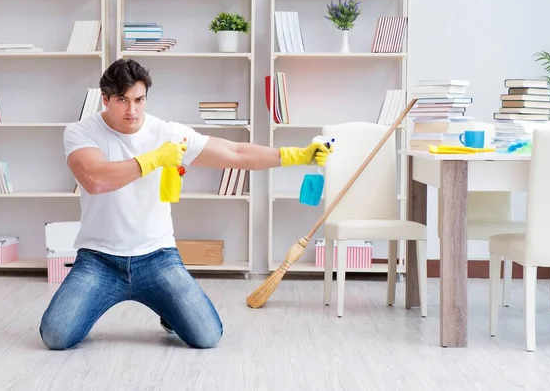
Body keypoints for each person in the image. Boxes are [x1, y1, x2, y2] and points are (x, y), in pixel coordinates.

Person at [38, 58, 331, 350]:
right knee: (56, 336)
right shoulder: (81, 132)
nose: (132, 110)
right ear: (105, 99)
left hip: (157, 257)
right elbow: (95, 179)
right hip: (99, 259)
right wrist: (154, 159)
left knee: (207, 337)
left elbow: (235, 152)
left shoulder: (165, 133)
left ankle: (168, 308)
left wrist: (296, 155)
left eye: (139, 100)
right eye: (122, 100)